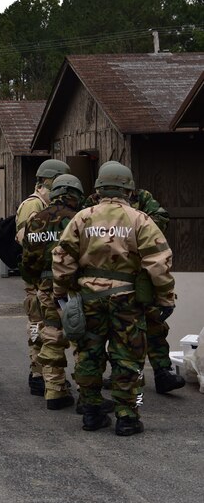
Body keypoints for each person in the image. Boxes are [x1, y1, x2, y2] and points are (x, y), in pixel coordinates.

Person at [53, 163, 174, 436]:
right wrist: (166, 298)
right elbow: (159, 262)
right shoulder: (139, 219)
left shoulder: (82, 218)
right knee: (128, 357)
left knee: (88, 354)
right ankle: (127, 417)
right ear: (128, 189)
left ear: (97, 189)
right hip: (128, 299)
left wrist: (61, 291)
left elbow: (62, 258)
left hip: (89, 298)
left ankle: (92, 413)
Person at [82, 161, 185, 395]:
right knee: (110, 331)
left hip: (140, 272)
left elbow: (161, 217)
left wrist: (135, 227)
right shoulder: (92, 203)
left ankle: (162, 371)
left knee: (154, 324)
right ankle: (120, 377)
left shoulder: (142, 199)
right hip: (108, 275)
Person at [21, 174, 84, 410]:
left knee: (51, 335)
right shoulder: (77, 219)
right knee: (81, 338)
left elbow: (27, 262)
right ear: (75, 195)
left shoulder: (35, 220)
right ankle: (86, 391)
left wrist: (37, 283)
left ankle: (54, 390)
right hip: (74, 288)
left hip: (44, 287)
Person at [16, 159, 71, 396]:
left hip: (41, 278)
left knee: (45, 327)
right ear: (47, 183)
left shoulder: (42, 205)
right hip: (38, 279)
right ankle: (38, 373)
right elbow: (25, 239)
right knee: (39, 327)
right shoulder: (33, 205)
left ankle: (43, 374)